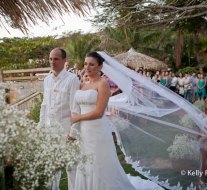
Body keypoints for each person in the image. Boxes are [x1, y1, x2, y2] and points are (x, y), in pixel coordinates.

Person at [69, 52, 163, 190]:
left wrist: (78, 117)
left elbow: (99, 112)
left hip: (97, 129)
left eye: (91, 64)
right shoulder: (81, 85)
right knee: (85, 162)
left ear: (100, 66)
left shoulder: (103, 84)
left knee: (99, 162)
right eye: (85, 64)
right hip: (83, 130)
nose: (87, 67)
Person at [39, 48, 80, 190]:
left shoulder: (72, 79)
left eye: (56, 59)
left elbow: (76, 107)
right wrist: (41, 126)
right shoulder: (47, 80)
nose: (52, 62)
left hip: (66, 131)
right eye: (50, 59)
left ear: (64, 60)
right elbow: (44, 105)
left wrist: (73, 132)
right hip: (50, 131)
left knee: (71, 167)